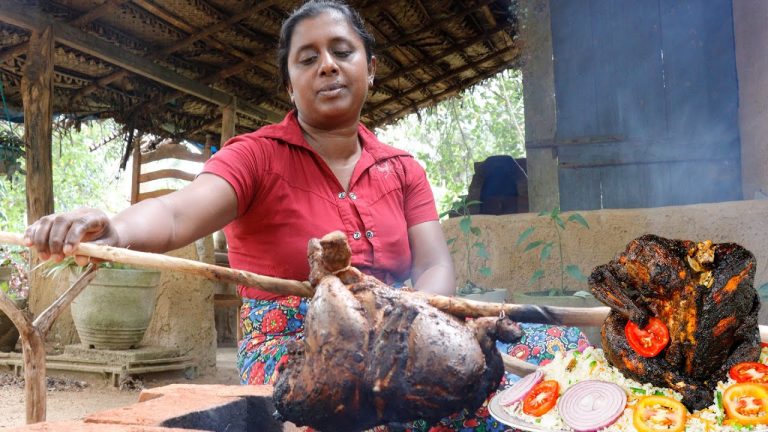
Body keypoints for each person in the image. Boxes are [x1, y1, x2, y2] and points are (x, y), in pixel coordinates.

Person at [25, 1, 588, 430]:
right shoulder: (255, 156)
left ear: (370, 67)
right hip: (297, 343)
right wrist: (115, 227)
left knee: (563, 358)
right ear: (290, 82)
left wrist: (416, 319)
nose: (327, 66)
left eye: (342, 51)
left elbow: (435, 266)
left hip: (406, 323)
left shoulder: (402, 168)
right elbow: (176, 215)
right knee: (414, 402)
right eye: (307, 58)